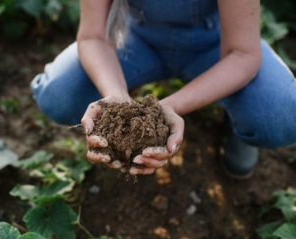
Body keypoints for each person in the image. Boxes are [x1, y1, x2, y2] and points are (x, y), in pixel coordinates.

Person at [30, 0, 296, 179]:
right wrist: (116, 99)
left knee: (279, 117)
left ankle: (238, 120)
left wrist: (164, 108)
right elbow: (93, 37)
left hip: (218, 46)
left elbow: (242, 54)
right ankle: (126, 89)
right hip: (136, 40)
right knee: (60, 95)